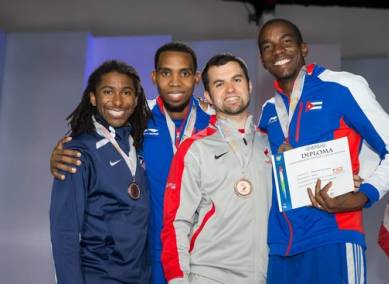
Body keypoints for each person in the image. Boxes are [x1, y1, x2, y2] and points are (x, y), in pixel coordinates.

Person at [257, 18, 389, 283]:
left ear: (303, 48)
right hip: (282, 247)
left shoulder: (341, 86)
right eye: (268, 46)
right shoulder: (268, 111)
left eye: (286, 41)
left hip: (334, 235)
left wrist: (363, 195)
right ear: (262, 59)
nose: (278, 51)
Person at [49, 42, 212, 284]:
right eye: (166, 73)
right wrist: (59, 154)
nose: (175, 82)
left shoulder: (214, 124)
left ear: (197, 78)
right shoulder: (142, 121)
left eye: (184, 73)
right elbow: (65, 230)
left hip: (204, 257)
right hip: (147, 260)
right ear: (155, 77)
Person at [161, 53, 272, 284]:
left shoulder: (272, 143)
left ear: (250, 86)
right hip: (207, 276)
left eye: (237, 80)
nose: (230, 89)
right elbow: (176, 222)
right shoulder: (194, 149)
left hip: (267, 275)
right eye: (219, 84)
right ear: (208, 96)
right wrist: (178, 280)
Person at [50, 60, 151, 283]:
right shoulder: (76, 152)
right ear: (93, 98)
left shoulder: (141, 144)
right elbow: (64, 230)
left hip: (141, 277)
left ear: (136, 99)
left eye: (126, 92)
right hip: (97, 276)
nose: (117, 101)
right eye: (108, 91)